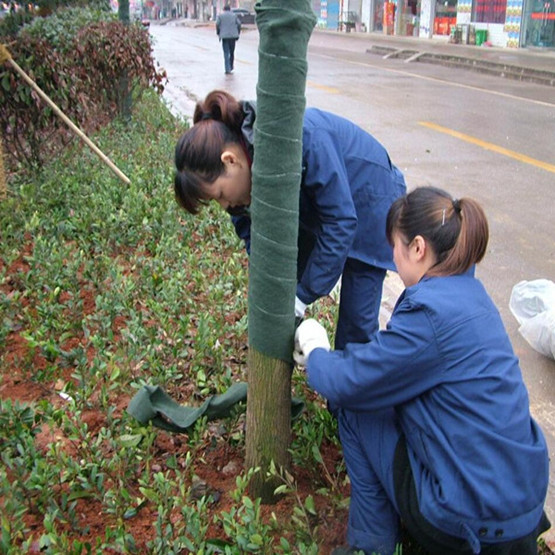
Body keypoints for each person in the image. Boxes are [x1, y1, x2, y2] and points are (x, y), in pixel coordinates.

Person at [293, 186, 550, 555]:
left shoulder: (429, 313)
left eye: (394, 247)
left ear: (417, 247)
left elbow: (354, 383)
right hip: (522, 510)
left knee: (356, 410)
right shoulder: (474, 297)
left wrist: (316, 352)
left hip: (475, 527)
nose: (392, 258)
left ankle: (371, 545)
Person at [174, 90, 406, 349]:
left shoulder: (301, 139)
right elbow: (256, 239)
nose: (225, 205)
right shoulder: (246, 173)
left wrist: (302, 297)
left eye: (219, 195)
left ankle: (355, 384)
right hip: (319, 202)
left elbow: (340, 223)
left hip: (371, 195)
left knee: (356, 326)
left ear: (230, 160)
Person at [216, 5, 241, 75]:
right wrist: (237, 32)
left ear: (224, 9)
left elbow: (217, 24)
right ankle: (231, 66)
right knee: (232, 52)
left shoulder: (220, 16)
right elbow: (239, 24)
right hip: (233, 36)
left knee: (226, 53)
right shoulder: (234, 16)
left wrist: (218, 32)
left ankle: (227, 69)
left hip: (225, 37)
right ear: (230, 9)